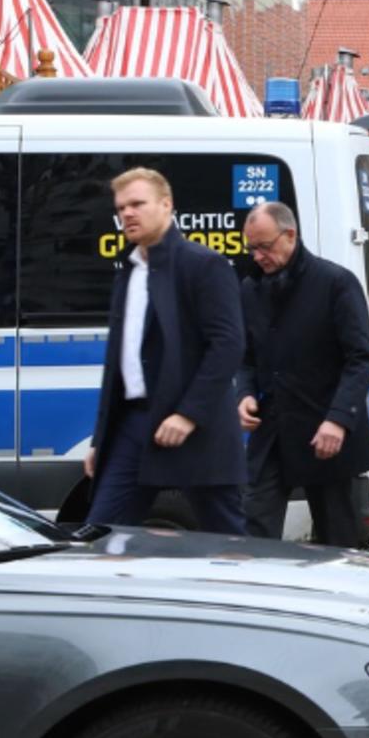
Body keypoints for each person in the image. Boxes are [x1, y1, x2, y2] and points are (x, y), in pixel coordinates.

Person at [84, 168, 247, 533]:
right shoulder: (129, 269)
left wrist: (188, 414)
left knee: (228, 542)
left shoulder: (204, 264)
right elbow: (118, 363)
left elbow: (228, 344)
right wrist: (102, 439)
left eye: (138, 204)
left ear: (166, 205)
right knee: (102, 535)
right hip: (133, 426)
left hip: (196, 430)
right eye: (121, 207)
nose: (127, 213)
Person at [236, 202, 369, 548]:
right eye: (251, 248)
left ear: (290, 236)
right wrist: (244, 393)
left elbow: (360, 358)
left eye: (264, 246)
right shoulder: (250, 289)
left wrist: (338, 420)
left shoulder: (335, 283)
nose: (257, 256)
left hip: (326, 433)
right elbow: (246, 358)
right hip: (272, 433)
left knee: (338, 542)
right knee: (253, 533)